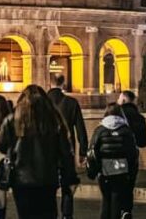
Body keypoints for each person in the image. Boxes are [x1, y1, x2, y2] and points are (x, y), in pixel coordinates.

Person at [0, 85, 79, 219]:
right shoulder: (54, 120)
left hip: (21, 180)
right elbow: (65, 152)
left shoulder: (13, 120)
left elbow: (1, 145)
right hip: (47, 179)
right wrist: (70, 177)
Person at [88, 103, 139, 219]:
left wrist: (93, 170)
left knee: (106, 199)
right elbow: (132, 153)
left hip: (104, 169)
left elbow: (92, 151)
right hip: (121, 169)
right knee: (117, 199)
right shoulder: (126, 130)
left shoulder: (100, 130)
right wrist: (132, 172)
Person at [48, 75, 87, 219]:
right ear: (63, 84)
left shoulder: (43, 102)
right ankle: (66, 215)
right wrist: (83, 151)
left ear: (49, 83)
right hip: (67, 149)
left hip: (47, 150)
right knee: (67, 184)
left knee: (48, 185)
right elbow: (80, 129)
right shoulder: (71, 102)